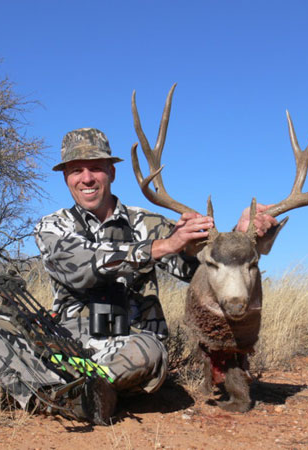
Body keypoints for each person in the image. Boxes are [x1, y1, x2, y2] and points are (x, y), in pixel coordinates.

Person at [33, 128, 278, 398]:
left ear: (112, 172)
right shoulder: (52, 226)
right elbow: (78, 267)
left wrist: (240, 236)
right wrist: (162, 246)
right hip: (70, 342)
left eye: (96, 168)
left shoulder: (147, 223)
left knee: (146, 354)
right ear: (66, 177)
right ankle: (81, 390)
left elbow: (198, 269)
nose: (87, 178)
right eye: (76, 170)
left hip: (135, 343)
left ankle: (76, 390)